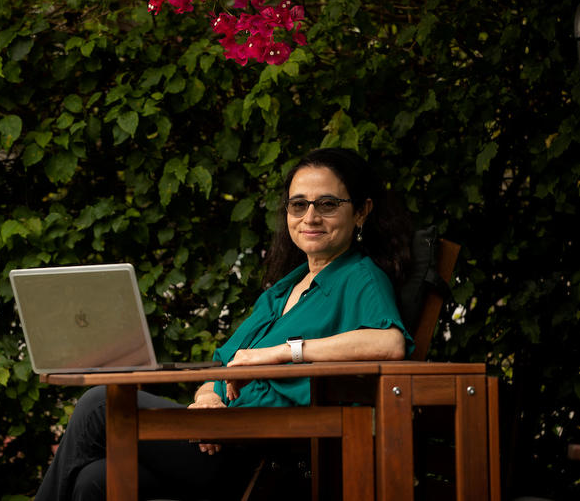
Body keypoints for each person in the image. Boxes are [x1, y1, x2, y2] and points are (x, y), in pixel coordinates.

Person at [34, 147, 414, 500]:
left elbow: (390, 343)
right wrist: (208, 400)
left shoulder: (360, 276)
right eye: (298, 205)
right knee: (95, 480)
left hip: (264, 454)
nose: (310, 217)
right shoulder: (283, 290)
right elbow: (222, 367)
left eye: (327, 204)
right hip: (222, 437)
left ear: (361, 212)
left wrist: (281, 353)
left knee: (101, 404)